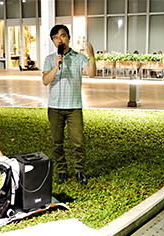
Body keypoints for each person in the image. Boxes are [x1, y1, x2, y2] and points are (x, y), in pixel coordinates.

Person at [42, 24, 96, 184]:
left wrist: (91, 55)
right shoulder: (50, 59)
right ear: (53, 41)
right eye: (56, 38)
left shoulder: (79, 58)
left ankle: (79, 170)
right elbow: (45, 81)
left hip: (74, 107)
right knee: (56, 143)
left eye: (63, 36)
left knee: (78, 142)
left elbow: (91, 74)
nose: (60, 40)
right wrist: (56, 66)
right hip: (55, 108)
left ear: (68, 38)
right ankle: (62, 171)